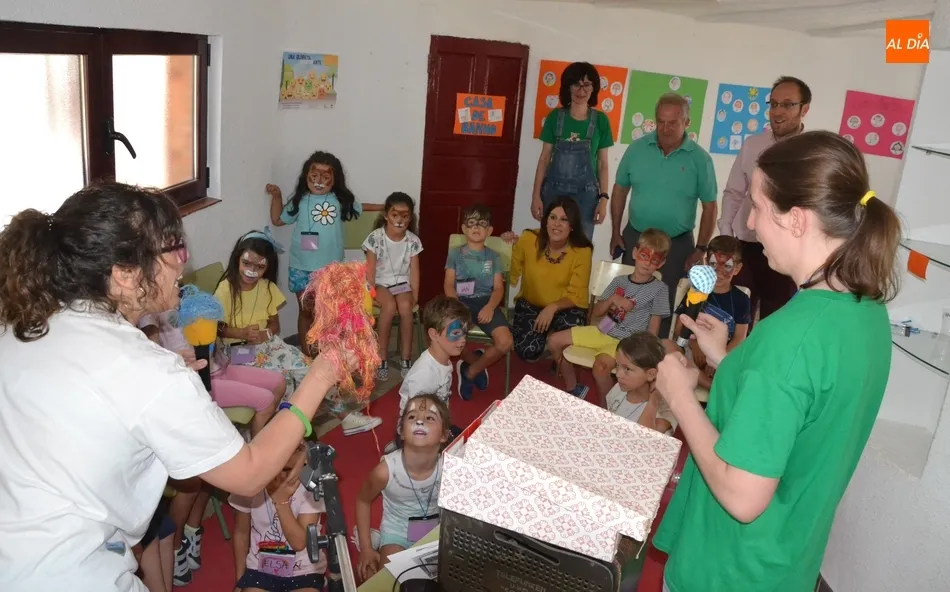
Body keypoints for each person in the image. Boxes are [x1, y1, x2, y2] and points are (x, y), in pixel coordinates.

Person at [0, 182, 357, 592]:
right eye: (175, 250)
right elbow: (249, 475)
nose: (182, 265)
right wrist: (321, 375)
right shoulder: (145, 370)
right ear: (125, 274)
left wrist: (161, 382)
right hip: (69, 573)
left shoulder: (24, 325)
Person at [652, 130, 900, 592]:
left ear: (797, 220)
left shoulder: (791, 337)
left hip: (726, 570)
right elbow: (798, 408)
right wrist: (727, 360)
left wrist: (680, 397)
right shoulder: (865, 312)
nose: (749, 224)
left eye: (759, 207)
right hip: (785, 563)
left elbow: (742, 496)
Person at [215, 231, 381, 436]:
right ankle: (278, 432)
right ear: (237, 259)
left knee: (310, 369)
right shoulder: (225, 289)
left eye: (260, 267)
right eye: (246, 263)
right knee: (283, 379)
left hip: (268, 345)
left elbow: (274, 325)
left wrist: (266, 334)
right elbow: (217, 329)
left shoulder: (267, 287)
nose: (252, 271)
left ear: (268, 267)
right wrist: (241, 333)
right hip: (237, 352)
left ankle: (344, 416)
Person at [609, 92, 718, 338]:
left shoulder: (700, 159)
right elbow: (620, 189)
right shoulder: (637, 150)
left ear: (687, 123)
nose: (665, 129)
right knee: (627, 299)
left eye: (673, 123)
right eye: (660, 122)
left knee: (664, 305)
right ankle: (620, 349)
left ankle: (655, 354)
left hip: (676, 245)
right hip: (636, 237)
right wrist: (615, 231)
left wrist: (701, 248)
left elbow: (710, 206)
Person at [718, 76, 812, 327]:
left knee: (775, 322)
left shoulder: (810, 153)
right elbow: (733, 192)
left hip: (786, 251)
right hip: (746, 248)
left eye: (787, 105)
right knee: (735, 320)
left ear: (804, 109)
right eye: (774, 104)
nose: (778, 112)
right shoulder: (752, 145)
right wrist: (727, 236)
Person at [548, 228, 671, 401]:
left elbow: (653, 328)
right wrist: (613, 299)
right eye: (644, 256)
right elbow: (597, 312)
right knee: (554, 341)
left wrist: (645, 355)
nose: (647, 263)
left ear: (661, 263)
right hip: (602, 330)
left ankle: (607, 409)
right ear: (635, 253)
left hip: (626, 342)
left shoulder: (659, 289)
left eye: (654, 260)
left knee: (600, 368)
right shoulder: (619, 281)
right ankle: (573, 387)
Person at [267, 151, 361, 354]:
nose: (319, 181)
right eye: (314, 176)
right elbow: (278, 220)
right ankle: (307, 355)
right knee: (306, 311)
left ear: (335, 179)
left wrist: (386, 207)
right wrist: (277, 196)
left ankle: (326, 356)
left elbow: (361, 209)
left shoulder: (340, 200)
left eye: (325, 177)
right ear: (306, 176)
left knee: (327, 314)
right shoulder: (300, 200)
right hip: (301, 267)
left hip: (330, 270)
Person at [356, 395, 449, 581]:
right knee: (387, 582)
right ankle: (378, 542)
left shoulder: (449, 467)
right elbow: (362, 500)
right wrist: (366, 548)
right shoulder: (385, 471)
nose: (420, 421)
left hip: (437, 531)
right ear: (401, 431)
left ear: (444, 435)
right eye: (412, 417)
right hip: (397, 532)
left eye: (430, 418)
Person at [531, 61, 614, 240]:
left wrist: (603, 199)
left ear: (594, 88)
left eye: (587, 85)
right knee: (551, 243)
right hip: (553, 192)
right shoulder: (555, 117)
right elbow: (544, 159)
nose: (581, 91)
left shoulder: (601, 120)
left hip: (586, 196)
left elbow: (603, 164)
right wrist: (536, 196)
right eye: (576, 84)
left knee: (580, 246)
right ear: (568, 87)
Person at [507, 196, 593, 362]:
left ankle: (555, 343)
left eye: (564, 220)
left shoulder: (582, 251)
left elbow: (576, 294)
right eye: (553, 217)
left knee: (568, 347)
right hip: (531, 304)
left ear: (572, 226)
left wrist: (552, 308)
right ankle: (546, 338)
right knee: (527, 352)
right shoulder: (529, 239)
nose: (557, 224)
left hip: (564, 307)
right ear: (545, 221)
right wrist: (508, 245)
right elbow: (510, 271)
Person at [229, 444, 326, 592]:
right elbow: (241, 533)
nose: (279, 477)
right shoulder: (250, 485)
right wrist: (240, 580)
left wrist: (281, 502)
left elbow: (299, 542)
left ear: (303, 458)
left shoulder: (311, 486)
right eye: (272, 469)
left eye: (287, 469)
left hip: (304, 569)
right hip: (260, 567)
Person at [443, 204, 513, 400]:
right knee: (451, 335)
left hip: (486, 302)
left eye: (482, 224)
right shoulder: (455, 254)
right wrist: (458, 307)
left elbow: (498, 288)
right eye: (471, 223)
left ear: (489, 231)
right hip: (460, 301)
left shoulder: (494, 256)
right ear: (464, 229)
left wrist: (490, 307)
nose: (476, 227)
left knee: (506, 342)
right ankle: (475, 360)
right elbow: (448, 284)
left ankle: (471, 371)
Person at [672, 235, 751, 391]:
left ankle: (710, 383)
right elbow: (678, 329)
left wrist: (717, 358)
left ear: (737, 268)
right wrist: (695, 345)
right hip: (692, 351)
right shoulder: (695, 291)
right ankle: (711, 387)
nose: (719, 271)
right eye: (714, 263)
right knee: (668, 347)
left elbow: (739, 339)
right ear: (706, 262)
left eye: (727, 266)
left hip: (723, 356)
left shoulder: (742, 300)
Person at [362, 192, 423, 380]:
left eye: (405, 216)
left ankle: (406, 357)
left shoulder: (413, 240)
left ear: (410, 217)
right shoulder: (375, 238)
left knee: (405, 306)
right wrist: (371, 293)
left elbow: (414, 270)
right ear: (386, 215)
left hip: (402, 284)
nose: (400, 220)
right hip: (380, 283)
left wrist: (415, 295)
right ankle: (381, 357)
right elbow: (370, 270)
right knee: (388, 307)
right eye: (395, 215)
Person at [605, 333, 676, 434]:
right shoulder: (619, 388)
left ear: (651, 374)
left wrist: (654, 399)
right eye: (617, 365)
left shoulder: (664, 410)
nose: (618, 374)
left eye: (627, 369)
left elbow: (644, 437)